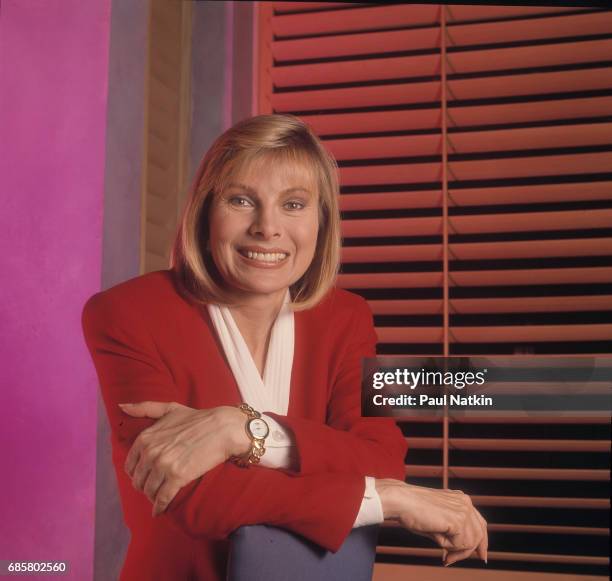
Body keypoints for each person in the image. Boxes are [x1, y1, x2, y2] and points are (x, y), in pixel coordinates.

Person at [82, 114, 487, 581]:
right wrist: (384, 498)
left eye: (293, 204)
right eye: (240, 200)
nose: (267, 228)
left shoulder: (347, 317)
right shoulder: (127, 312)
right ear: (205, 210)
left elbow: (380, 457)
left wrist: (242, 430)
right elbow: (188, 496)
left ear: (321, 222)